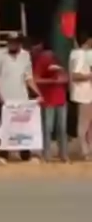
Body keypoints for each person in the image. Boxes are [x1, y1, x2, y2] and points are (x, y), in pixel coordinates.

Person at [0, 33, 37, 162]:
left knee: (23, 125)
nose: (13, 44)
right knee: (5, 127)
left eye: (16, 42)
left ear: (20, 43)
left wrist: (38, 94)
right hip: (5, 97)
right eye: (11, 42)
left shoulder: (25, 55)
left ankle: (25, 154)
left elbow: (28, 77)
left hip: (22, 96)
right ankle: (3, 155)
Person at [32, 44, 69, 162]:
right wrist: (51, 81)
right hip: (48, 100)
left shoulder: (59, 61)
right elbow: (36, 79)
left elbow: (66, 78)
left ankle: (63, 154)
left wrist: (62, 79)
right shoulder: (41, 61)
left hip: (61, 99)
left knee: (62, 128)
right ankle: (47, 154)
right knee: (48, 128)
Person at [70, 32, 92, 160]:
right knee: (84, 124)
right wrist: (90, 76)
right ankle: (84, 151)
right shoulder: (79, 54)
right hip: (84, 94)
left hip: (89, 93)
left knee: (90, 124)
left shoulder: (86, 54)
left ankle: (89, 149)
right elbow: (75, 75)